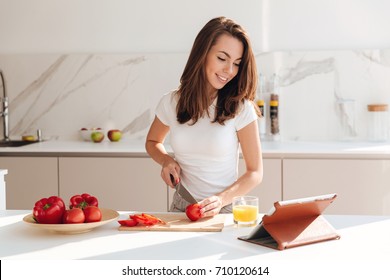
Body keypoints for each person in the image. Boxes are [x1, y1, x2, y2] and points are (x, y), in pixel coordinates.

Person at [145, 16, 263, 218]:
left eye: (236, 63)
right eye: (222, 58)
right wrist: (165, 160)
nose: (229, 70)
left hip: (224, 210)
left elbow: (255, 173)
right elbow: (153, 141)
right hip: (182, 207)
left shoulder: (241, 108)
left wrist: (221, 200)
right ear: (203, 53)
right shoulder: (171, 102)